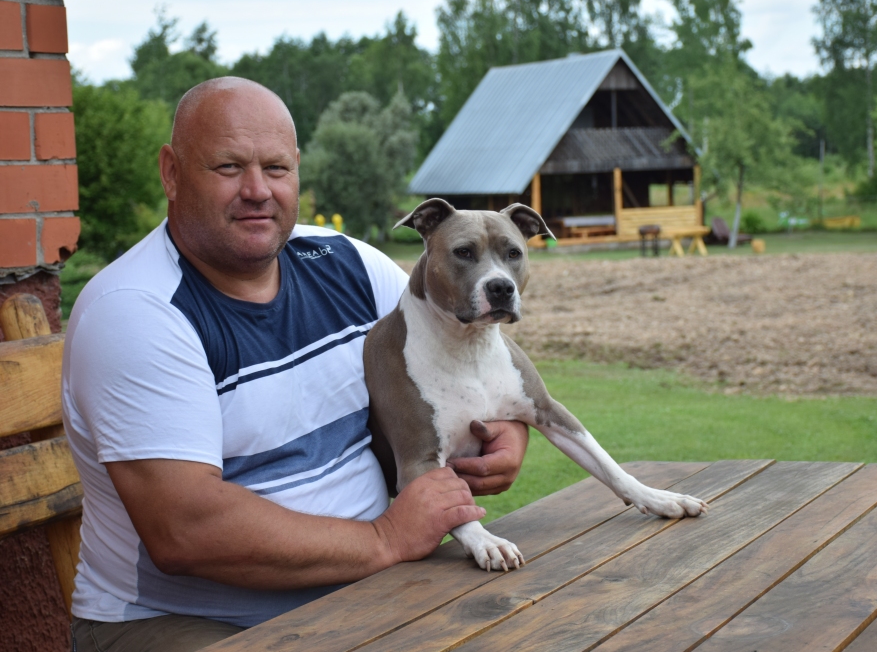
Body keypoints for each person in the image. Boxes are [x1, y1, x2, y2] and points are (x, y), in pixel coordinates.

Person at [63, 77, 529, 652]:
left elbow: (482, 355)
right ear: (171, 172)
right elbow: (188, 531)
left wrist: (508, 428)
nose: (258, 190)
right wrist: (385, 538)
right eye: (228, 167)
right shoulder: (137, 312)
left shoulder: (348, 264)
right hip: (188, 624)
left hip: (364, 593)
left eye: (277, 169)